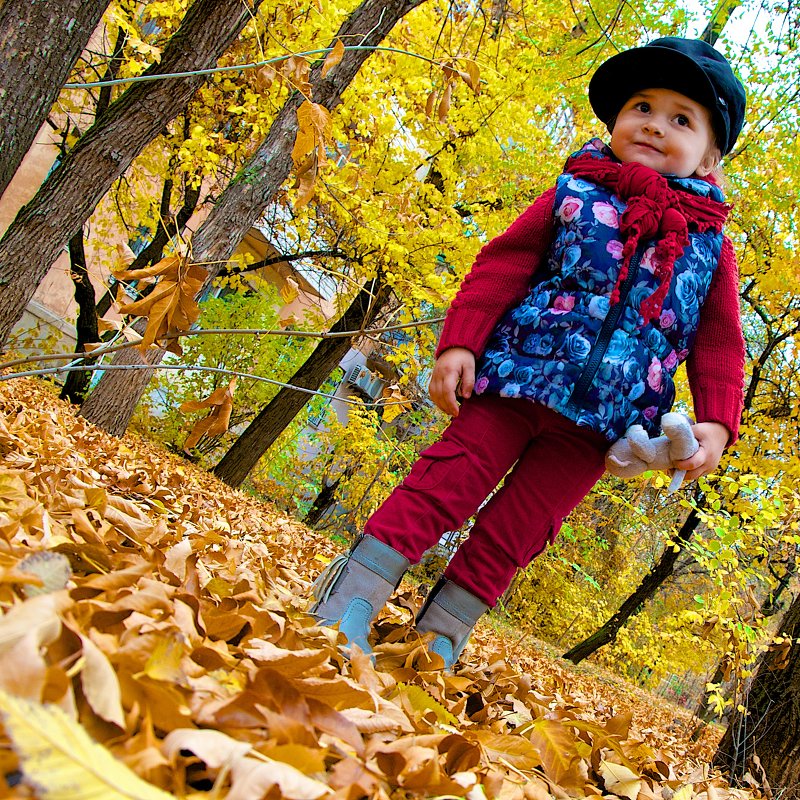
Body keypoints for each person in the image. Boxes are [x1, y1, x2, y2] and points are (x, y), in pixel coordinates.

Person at [310, 37, 747, 668]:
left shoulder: (710, 248)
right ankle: (350, 598)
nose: (654, 123)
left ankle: (438, 641)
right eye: (641, 106)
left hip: (599, 427)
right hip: (514, 383)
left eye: (681, 118)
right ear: (615, 120)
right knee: (444, 484)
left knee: (516, 532)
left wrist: (716, 421)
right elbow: (503, 266)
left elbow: (719, 345)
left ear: (708, 155)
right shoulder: (575, 193)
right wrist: (460, 342)